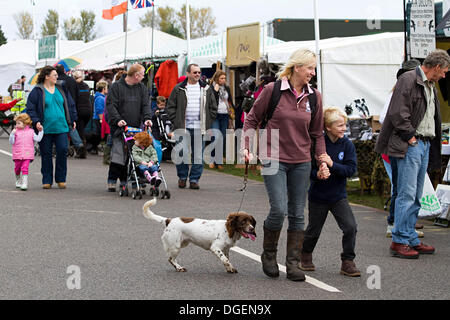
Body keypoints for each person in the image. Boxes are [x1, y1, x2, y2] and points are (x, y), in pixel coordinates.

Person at [241, 48, 326, 281]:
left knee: (298, 213)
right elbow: (252, 119)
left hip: (301, 160)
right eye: (310, 67)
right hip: (272, 156)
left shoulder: (314, 96)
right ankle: (269, 255)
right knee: (279, 208)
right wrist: (247, 146)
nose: (312, 72)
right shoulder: (273, 90)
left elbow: (318, 133)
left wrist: (322, 160)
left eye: (314, 68)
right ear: (297, 67)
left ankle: (293, 263)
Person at [375, 49, 450, 259]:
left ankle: (410, 237)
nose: (444, 75)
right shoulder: (408, 80)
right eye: (444, 71)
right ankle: (399, 240)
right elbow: (398, 112)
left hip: (422, 143)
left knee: (416, 195)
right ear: (435, 67)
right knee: (406, 194)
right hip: (411, 144)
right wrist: (411, 138)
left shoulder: (429, 85)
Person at [300, 107, 360, 277]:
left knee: (350, 227)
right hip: (318, 196)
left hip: (338, 196)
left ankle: (347, 261)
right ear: (328, 127)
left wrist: (332, 165)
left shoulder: (347, 145)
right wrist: (317, 174)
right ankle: (305, 254)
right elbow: (307, 169)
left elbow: (351, 170)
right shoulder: (317, 144)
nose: (343, 128)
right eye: (339, 125)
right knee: (313, 230)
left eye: (344, 125)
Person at [379, 59, 425, 238]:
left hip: (406, 145)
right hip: (397, 146)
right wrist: (407, 132)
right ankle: (394, 222)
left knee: (408, 188)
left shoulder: (415, 91)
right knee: (399, 187)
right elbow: (385, 117)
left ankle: (405, 223)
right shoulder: (398, 93)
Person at [166, 63, 218, 190]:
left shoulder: (206, 88)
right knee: (181, 152)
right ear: (188, 73)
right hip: (182, 126)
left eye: (199, 72)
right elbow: (171, 106)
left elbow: (213, 107)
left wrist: (208, 121)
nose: (197, 74)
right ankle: (182, 177)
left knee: (198, 155)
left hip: (199, 127)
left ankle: (194, 179)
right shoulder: (179, 88)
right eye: (195, 72)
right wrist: (176, 121)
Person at [26, 65, 77, 189]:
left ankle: (61, 179)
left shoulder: (62, 88)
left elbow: (70, 105)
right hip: (45, 128)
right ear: (47, 76)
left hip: (62, 127)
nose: (57, 77)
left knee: (62, 150)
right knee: (46, 154)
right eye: (54, 75)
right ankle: (47, 179)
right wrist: (36, 121)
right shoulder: (37, 91)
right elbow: (31, 108)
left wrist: (73, 119)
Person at [106, 64, 152, 192]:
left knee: (136, 155)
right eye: (143, 74)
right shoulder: (117, 87)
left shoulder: (142, 88)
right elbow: (111, 105)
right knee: (119, 155)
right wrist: (117, 119)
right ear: (136, 75)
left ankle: (134, 179)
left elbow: (145, 105)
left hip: (136, 128)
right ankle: (114, 179)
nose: (144, 77)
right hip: (119, 127)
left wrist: (147, 118)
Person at [9, 113, 44, 190]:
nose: (16, 125)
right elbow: (11, 142)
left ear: (25, 123)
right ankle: (18, 180)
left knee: (25, 168)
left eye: (19, 123)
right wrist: (12, 134)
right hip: (17, 153)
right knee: (17, 168)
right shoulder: (15, 132)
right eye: (16, 123)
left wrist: (41, 131)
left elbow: (38, 139)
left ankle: (25, 183)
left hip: (28, 153)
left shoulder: (31, 131)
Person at [210, 70, 235, 170]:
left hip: (224, 115)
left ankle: (219, 161)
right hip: (215, 115)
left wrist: (232, 110)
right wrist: (215, 91)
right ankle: (212, 159)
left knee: (222, 138)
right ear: (217, 78)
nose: (223, 80)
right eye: (221, 78)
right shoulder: (212, 87)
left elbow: (229, 101)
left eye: (224, 78)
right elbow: (211, 101)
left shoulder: (226, 88)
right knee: (216, 137)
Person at [72, 70, 92, 158]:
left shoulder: (75, 87)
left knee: (79, 130)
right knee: (82, 130)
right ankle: (82, 149)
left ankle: (82, 152)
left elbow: (74, 99)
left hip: (79, 110)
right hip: (88, 110)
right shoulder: (86, 86)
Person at [91, 80, 108, 155]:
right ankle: (93, 147)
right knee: (98, 134)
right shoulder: (100, 98)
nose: (107, 89)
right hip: (99, 118)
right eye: (106, 87)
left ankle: (94, 148)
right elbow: (99, 109)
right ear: (103, 89)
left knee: (98, 134)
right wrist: (101, 119)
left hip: (99, 118)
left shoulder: (100, 97)